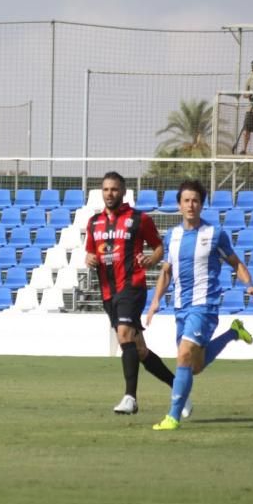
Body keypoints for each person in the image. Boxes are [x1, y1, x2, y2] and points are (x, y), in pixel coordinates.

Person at [144, 179, 253, 431]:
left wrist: (249, 284)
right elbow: (166, 271)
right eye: (186, 200)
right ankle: (233, 332)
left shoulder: (214, 234)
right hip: (180, 307)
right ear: (179, 205)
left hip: (204, 305)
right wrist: (154, 303)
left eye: (195, 200)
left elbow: (236, 263)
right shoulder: (173, 236)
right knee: (193, 367)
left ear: (201, 204)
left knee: (183, 355)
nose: (191, 205)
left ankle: (173, 417)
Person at [84, 171, 187, 417]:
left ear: (123, 191)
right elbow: (91, 253)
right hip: (108, 292)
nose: (110, 194)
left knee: (123, 335)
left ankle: (131, 398)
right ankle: (180, 392)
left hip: (132, 287)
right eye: (106, 189)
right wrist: (88, 258)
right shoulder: (94, 222)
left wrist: (151, 258)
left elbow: (159, 247)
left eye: (115, 189)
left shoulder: (139, 219)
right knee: (139, 349)